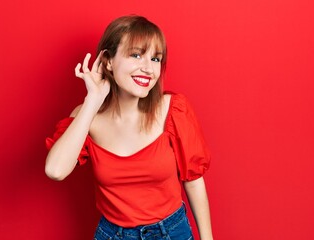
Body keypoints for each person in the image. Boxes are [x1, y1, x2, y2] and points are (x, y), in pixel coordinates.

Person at [45, 15, 213, 240]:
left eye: (155, 59)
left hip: (172, 233)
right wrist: (93, 100)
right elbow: (55, 170)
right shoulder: (86, 118)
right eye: (136, 55)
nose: (148, 68)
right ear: (108, 61)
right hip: (113, 235)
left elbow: (193, 181)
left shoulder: (172, 110)